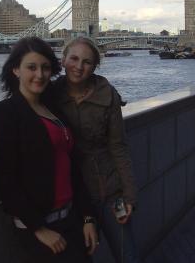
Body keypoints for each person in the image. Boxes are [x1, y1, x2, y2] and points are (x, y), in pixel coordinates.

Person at [0, 37, 98, 263]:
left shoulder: (53, 110)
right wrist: (39, 229)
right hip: (40, 228)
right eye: (31, 67)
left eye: (46, 68)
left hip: (71, 218)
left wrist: (88, 217)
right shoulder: (5, 113)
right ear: (16, 69)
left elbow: (72, 167)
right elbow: (4, 178)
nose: (40, 75)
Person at [53, 37, 140, 263]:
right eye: (73, 58)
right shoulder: (50, 95)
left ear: (94, 67)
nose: (79, 66)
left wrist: (129, 196)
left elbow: (118, 146)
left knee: (127, 255)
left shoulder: (107, 95)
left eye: (87, 62)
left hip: (110, 192)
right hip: (72, 197)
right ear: (63, 60)